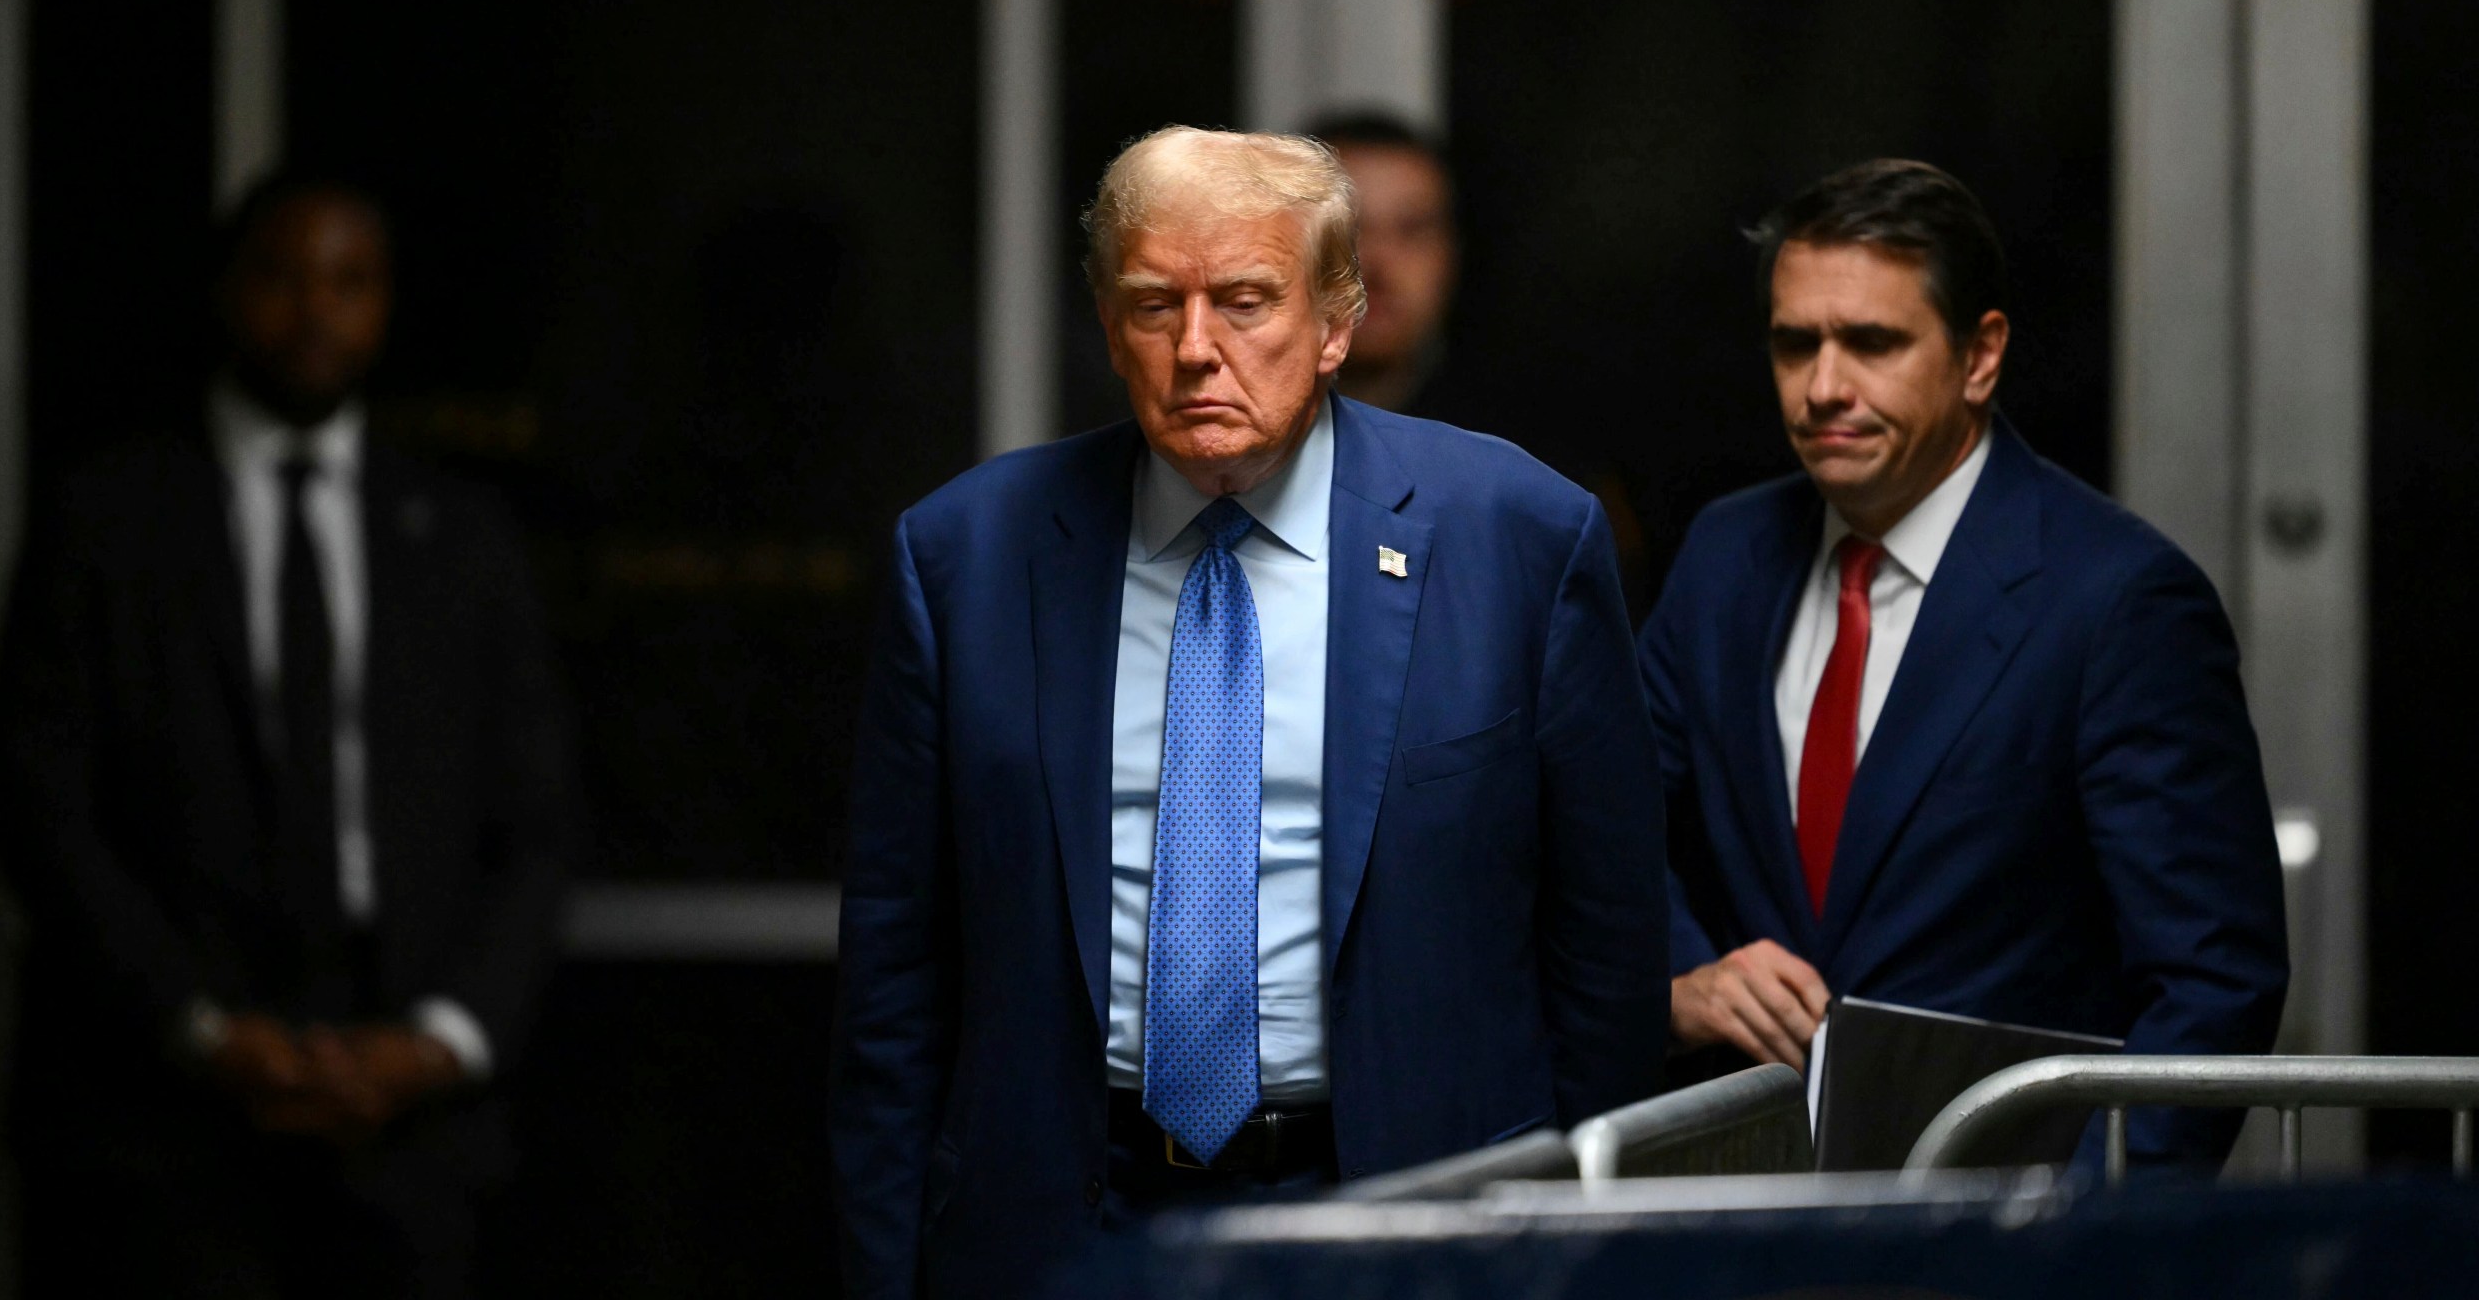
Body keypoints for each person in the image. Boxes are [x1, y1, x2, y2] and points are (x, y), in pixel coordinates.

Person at [832, 126, 1668, 1298]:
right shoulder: (967, 554)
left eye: (1244, 301)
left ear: (1335, 322)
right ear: (1106, 324)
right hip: (1066, 1219)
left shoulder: (1517, 536)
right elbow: (895, 980)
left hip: (1412, 1213)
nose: (1195, 351)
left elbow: (1606, 959)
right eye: (1151, 305)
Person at [0, 173, 576, 1297]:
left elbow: (537, 826)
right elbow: (40, 806)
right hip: (157, 1121)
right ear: (226, 291)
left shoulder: (461, 537)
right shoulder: (107, 517)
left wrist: (439, 1040)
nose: (314, 312)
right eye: (281, 276)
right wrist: (200, 1028)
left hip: (410, 1123)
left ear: (387, 305)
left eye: (349, 283)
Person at [1640, 159, 2287, 1170]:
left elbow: (2213, 978)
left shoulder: (2114, 600)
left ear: (1979, 356)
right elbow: (1605, 821)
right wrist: (1676, 979)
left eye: (1872, 344)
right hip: (1751, 1203)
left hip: (2007, 1217)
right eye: (1793, 343)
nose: (1822, 387)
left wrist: (2085, 1226)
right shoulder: (1726, 556)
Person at [1308, 113, 1457, 413]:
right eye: (1346, 231)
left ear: (1449, 255)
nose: (1378, 260)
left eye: (1412, 229)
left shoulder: (1512, 447)